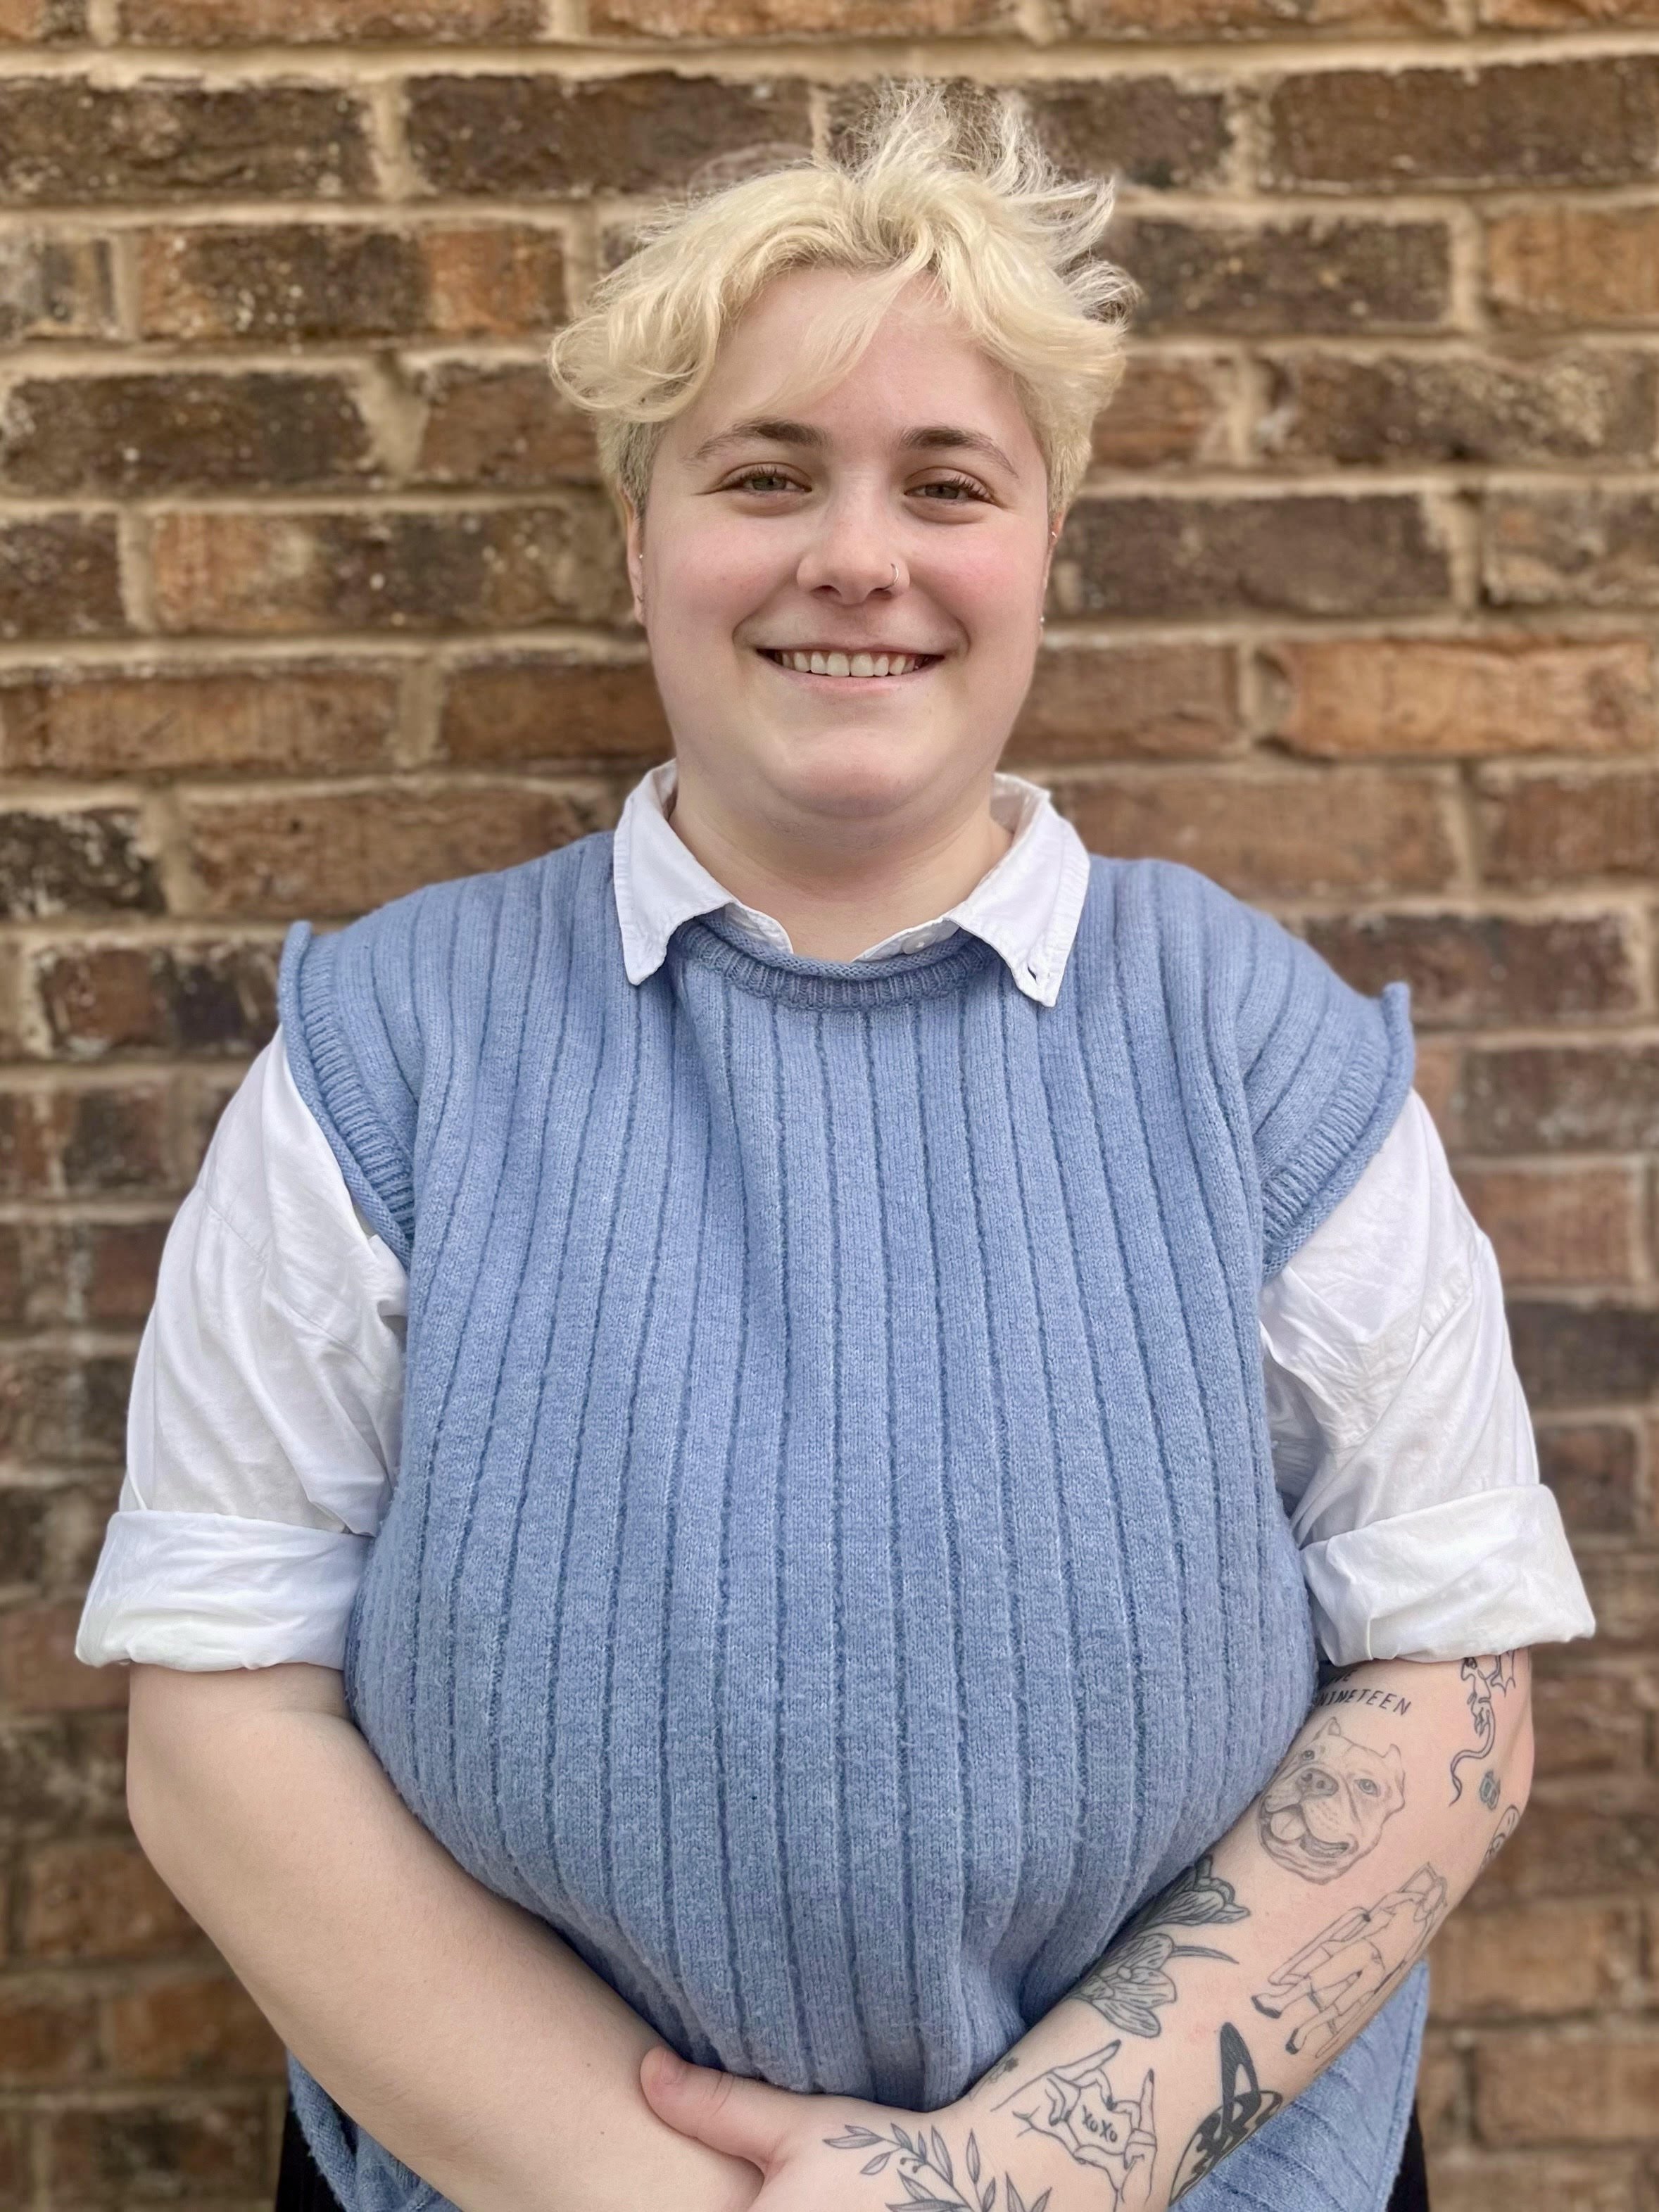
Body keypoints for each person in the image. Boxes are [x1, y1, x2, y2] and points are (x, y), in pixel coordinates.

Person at [76, 80, 1594, 2212]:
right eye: (766, 474)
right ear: (639, 541)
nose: (855, 557)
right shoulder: (392, 1054)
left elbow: (1449, 1687)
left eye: (946, 482)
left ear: (1048, 537)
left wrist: (1008, 2176)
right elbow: (222, 1717)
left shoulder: (1255, 1048)